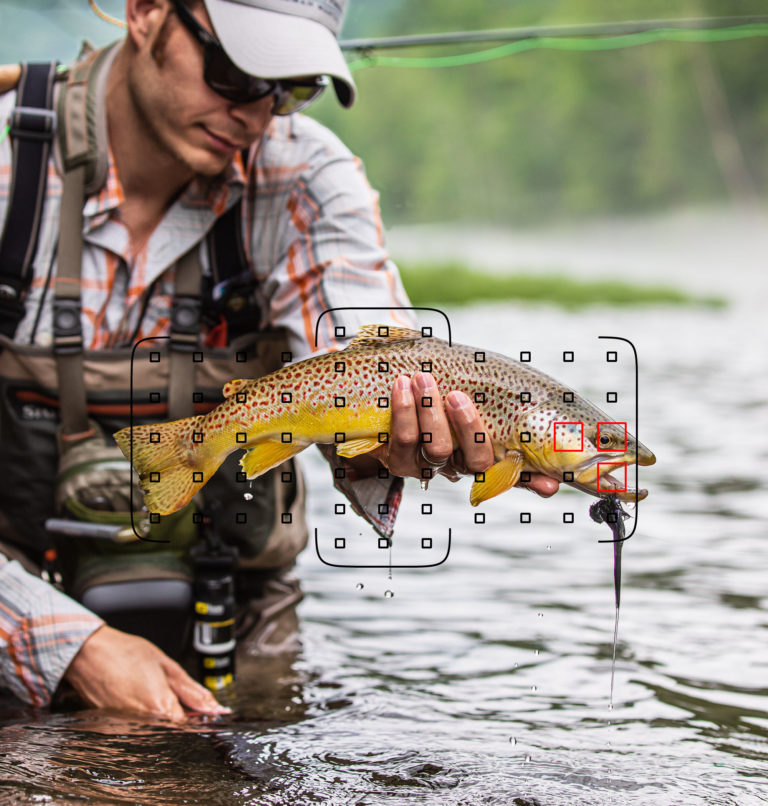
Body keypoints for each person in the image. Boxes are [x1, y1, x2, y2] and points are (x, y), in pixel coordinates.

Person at [0, 0, 558, 721]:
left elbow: (374, 349)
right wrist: (71, 647)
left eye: (290, 87)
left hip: (233, 615)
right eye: (236, 70)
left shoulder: (309, 176)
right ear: (145, 11)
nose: (257, 113)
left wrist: (397, 442)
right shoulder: (9, 162)